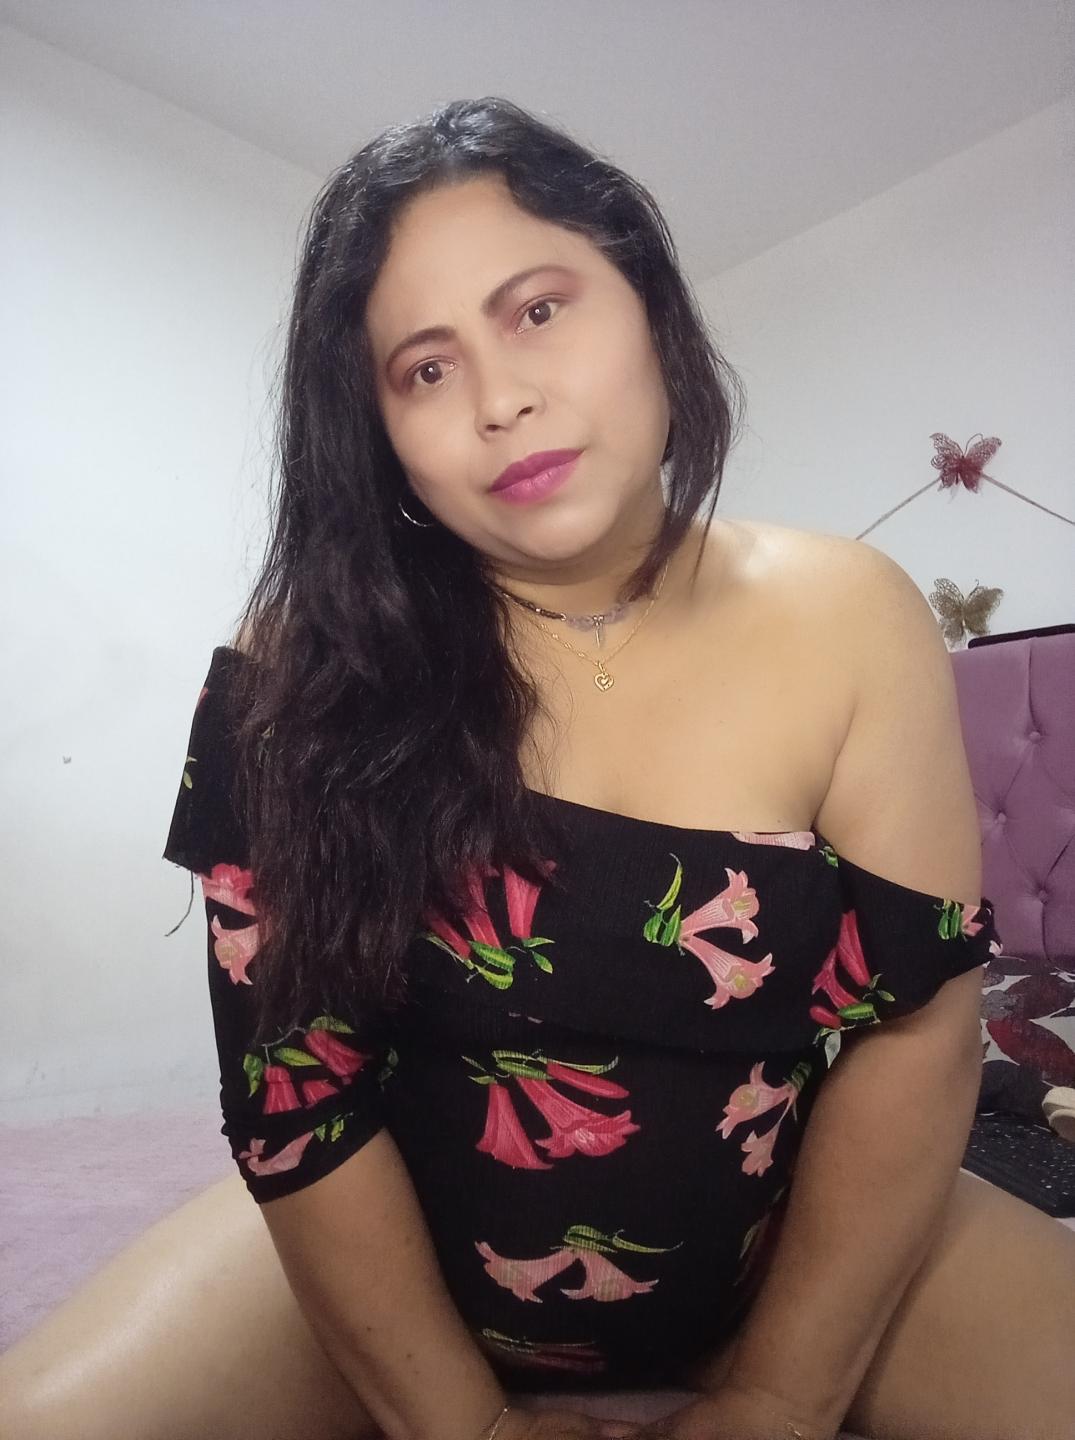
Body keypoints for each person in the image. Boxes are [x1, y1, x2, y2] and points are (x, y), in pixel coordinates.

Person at [3, 96, 1074, 1440]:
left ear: (650, 305)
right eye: (425, 370)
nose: (500, 399)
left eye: (539, 310)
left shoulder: (854, 613)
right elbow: (295, 1086)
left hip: (793, 1247)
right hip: (408, 1272)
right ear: (377, 433)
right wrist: (465, 1425)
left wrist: (785, 1397)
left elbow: (917, 1027)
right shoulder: (300, 666)